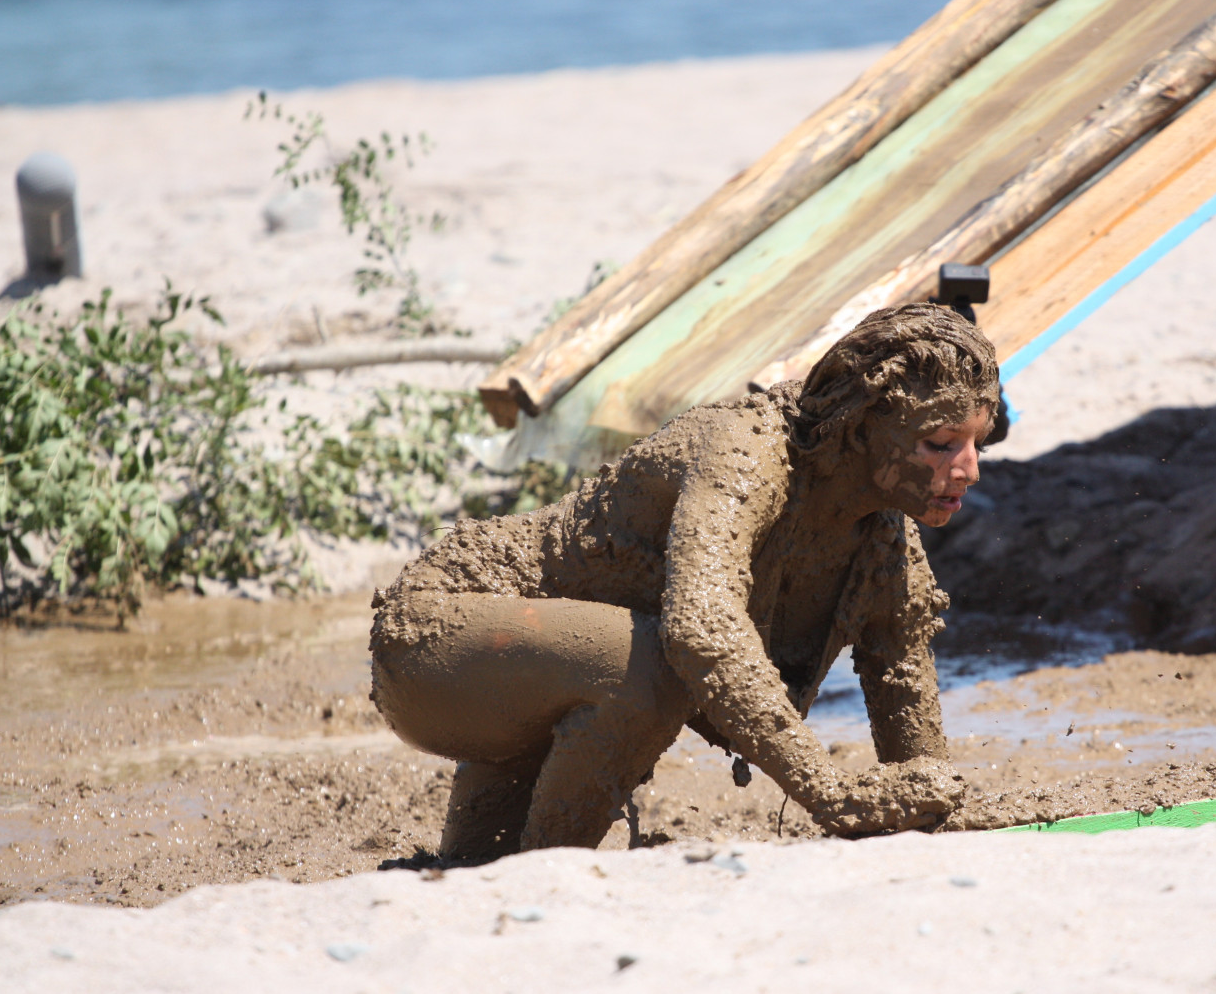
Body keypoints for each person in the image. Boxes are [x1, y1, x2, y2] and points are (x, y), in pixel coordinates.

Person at [369, 302, 1006, 862]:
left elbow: (917, 755)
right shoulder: (750, 454)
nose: (969, 470)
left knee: (479, 880)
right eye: (939, 444)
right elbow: (703, 631)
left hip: (538, 677)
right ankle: (554, 884)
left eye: (976, 442)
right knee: (648, 667)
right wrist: (832, 793)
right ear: (863, 427)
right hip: (442, 634)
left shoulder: (884, 541)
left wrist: (942, 808)